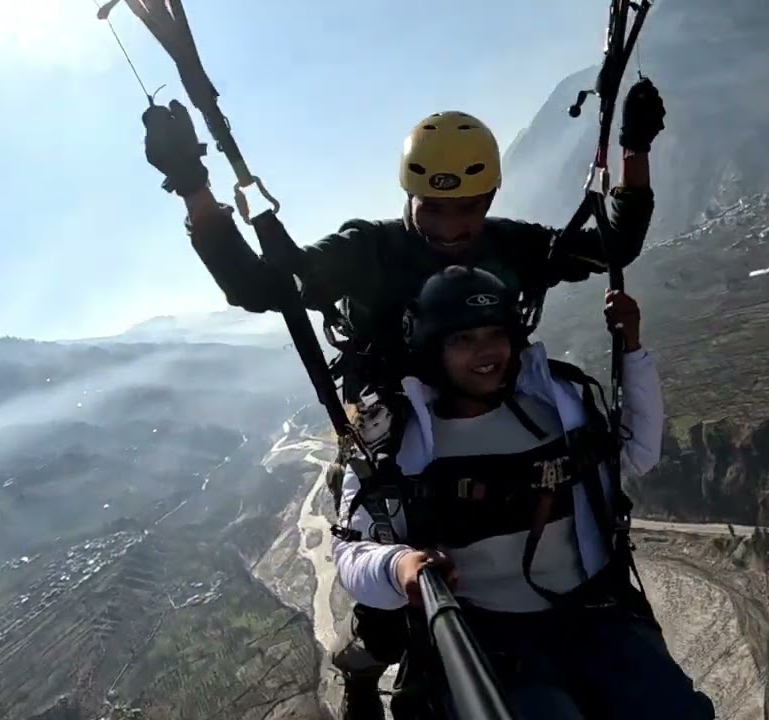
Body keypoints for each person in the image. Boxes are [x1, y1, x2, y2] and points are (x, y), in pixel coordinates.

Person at [143, 80, 667, 720]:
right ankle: (371, 657)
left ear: (490, 198)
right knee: (392, 573)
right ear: (409, 197)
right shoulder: (370, 251)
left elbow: (614, 245)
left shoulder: (509, 245)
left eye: (467, 209)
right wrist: (194, 189)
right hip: (395, 431)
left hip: (493, 414)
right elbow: (262, 285)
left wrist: (634, 149)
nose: (451, 228)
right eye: (435, 209)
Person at [331, 266, 716, 719]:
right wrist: (400, 566)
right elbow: (351, 553)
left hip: (592, 612)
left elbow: (636, 453)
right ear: (433, 348)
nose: (486, 351)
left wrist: (632, 350)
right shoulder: (398, 443)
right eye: (463, 339)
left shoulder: (559, 405)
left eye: (496, 333)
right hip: (486, 634)